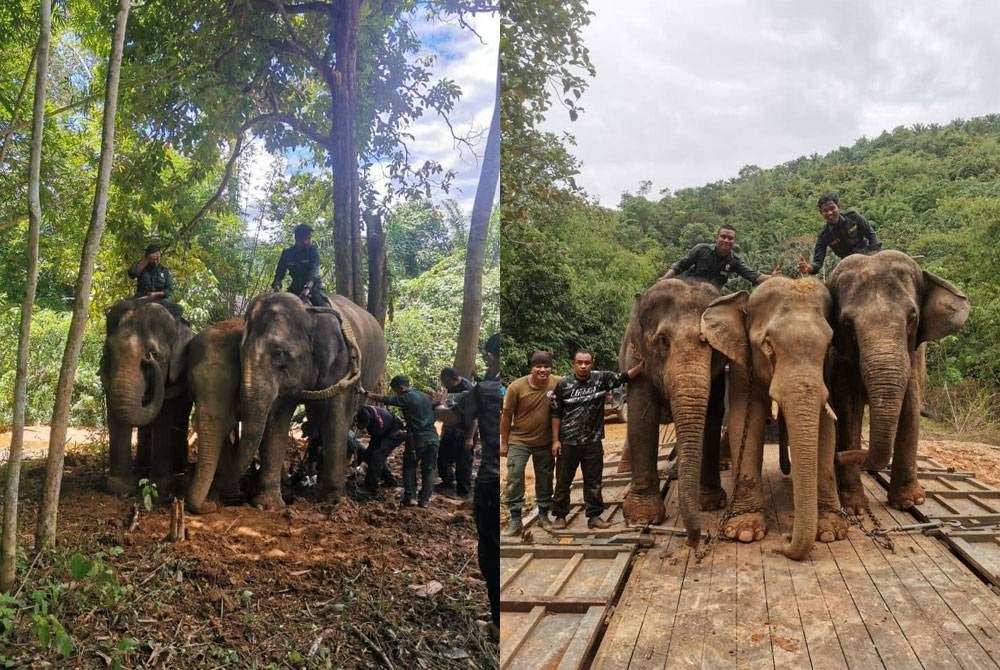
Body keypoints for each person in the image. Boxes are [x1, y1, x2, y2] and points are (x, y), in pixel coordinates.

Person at [433, 333, 502, 637]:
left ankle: (499, 623)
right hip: (514, 474)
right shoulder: (525, 385)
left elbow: (450, 417)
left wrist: (436, 404)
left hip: (491, 476)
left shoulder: (483, 389)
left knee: (491, 549)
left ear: (489, 356)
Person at [551, 350, 643, 529]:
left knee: (593, 481)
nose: (583, 366)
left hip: (592, 442)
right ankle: (560, 516)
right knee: (563, 480)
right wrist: (555, 440)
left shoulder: (601, 379)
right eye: (580, 362)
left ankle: (594, 517)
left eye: (587, 362)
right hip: (568, 442)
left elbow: (625, 376)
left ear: (592, 364)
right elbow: (555, 414)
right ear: (573, 364)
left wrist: (642, 365)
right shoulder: (563, 384)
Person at [500, 350, 561, 536]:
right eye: (538, 366)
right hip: (519, 440)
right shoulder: (516, 387)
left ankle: (543, 515)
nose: (542, 370)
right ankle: (515, 518)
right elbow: (506, 416)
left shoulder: (558, 383)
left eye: (546, 366)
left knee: (545, 477)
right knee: (515, 475)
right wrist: (503, 443)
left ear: (550, 368)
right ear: (531, 368)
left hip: (545, 441)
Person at [363, 375, 439, 508]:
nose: (396, 393)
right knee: (429, 469)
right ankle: (425, 500)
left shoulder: (407, 397)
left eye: (396, 390)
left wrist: (365, 393)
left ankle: (410, 498)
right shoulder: (424, 395)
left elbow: (385, 399)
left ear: (401, 387)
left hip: (417, 437)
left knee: (409, 467)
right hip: (433, 436)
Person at [660, 225, 778, 288]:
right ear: (717, 238)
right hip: (688, 290)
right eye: (723, 237)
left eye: (730, 238)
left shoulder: (734, 261)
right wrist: (664, 279)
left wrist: (773, 278)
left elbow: (753, 276)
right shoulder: (701, 249)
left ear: (734, 241)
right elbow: (680, 265)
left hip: (711, 299)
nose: (726, 240)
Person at [797, 193, 881, 275]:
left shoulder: (853, 216)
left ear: (838, 206)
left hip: (868, 254)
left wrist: (872, 255)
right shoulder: (824, 235)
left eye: (832, 208)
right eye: (825, 211)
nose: (830, 213)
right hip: (848, 264)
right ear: (821, 212)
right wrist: (808, 268)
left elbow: (871, 235)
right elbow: (817, 263)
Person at [436, 367, 476, 499]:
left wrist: (470, 437)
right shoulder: (451, 387)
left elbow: (475, 417)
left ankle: (463, 491)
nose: (444, 385)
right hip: (451, 428)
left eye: (445, 382)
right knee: (443, 457)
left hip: (465, 430)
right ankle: (448, 483)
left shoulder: (468, 390)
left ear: (454, 379)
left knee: (463, 462)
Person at [271, 223, 328, 307]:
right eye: (306, 238)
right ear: (297, 239)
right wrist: (277, 286)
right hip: (294, 288)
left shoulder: (313, 251)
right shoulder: (287, 254)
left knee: (325, 311)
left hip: (313, 289)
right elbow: (279, 274)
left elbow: (313, 273)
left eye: (309, 238)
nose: (309, 240)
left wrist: (307, 288)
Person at [355, 404, 406, 493]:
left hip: (396, 433)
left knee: (376, 457)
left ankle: (371, 488)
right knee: (370, 455)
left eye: (364, 425)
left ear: (369, 420)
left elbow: (377, 442)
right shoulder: (365, 411)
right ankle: (389, 479)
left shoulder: (378, 423)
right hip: (384, 433)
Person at [128, 243, 183, 319]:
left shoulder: (164, 271)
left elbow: (169, 289)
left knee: (179, 309)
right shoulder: (141, 265)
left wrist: (156, 294)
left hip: (160, 302)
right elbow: (132, 274)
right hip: (141, 300)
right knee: (121, 308)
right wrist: (146, 260)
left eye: (158, 258)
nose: (155, 261)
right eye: (153, 259)